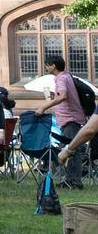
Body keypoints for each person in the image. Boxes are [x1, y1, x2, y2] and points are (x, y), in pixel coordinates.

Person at [42, 53, 92, 185]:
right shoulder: (66, 76)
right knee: (70, 148)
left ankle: (73, 181)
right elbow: (64, 95)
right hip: (71, 118)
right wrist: (55, 95)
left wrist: (44, 107)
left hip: (70, 119)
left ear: (53, 66)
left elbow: (63, 96)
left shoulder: (61, 79)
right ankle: (71, 179)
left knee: (72, 149)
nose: (46, 67)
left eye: (47, 65)